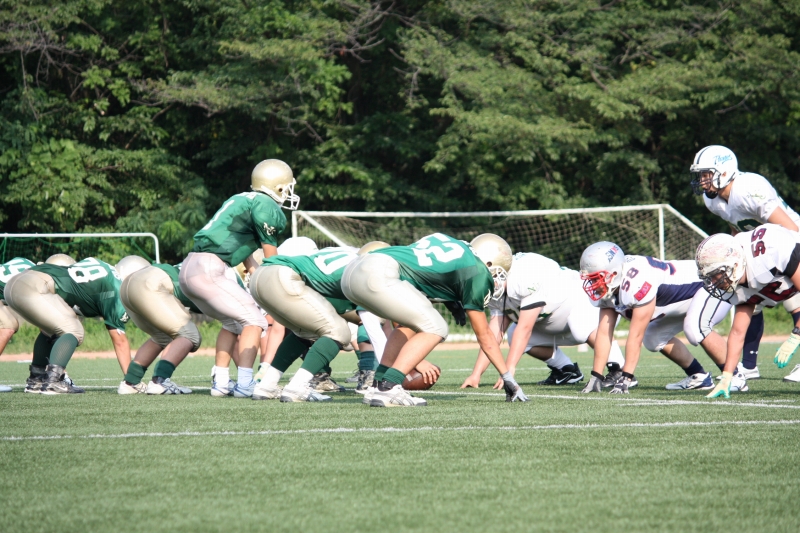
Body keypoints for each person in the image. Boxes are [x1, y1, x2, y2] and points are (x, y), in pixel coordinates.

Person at [340, 232, 528, 407]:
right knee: (437, 327)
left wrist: (449, 299)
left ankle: (378, 385)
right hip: (379, 272)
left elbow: (423, 272)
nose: (495, 278)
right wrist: (507, 377)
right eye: (495, 273)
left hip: (353, 270)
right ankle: (389, 386)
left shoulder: (449, 243)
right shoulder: (478, 270)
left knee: (410, 325)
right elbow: (484, 334)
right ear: (489, 262)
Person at [179, 159, 298, 398]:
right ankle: (245, 384)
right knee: (256, 321)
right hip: (210, 268)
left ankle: (221, 383)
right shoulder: (266, 204)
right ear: (278, 186)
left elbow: (246, 257)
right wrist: (279, 285)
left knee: (232, 324)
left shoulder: (241, 199)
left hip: (190, 267)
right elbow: (271, 258)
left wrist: (257, 277)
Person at [690, 144, 800, 381]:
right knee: (749, 299)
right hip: (762, 248)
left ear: (724, 171)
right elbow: (737, 228)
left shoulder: (748, 189)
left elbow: (789, 230)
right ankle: (749, 367)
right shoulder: (713, 200)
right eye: (700, 176)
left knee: (793, 297)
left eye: (706, 174)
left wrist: (778, 264)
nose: (702, 181)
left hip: (787, 243)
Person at [578, 242, 737, 394]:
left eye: (596, 278)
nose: (593, 284)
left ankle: (735, 376)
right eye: (590, 279)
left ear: (614, 274)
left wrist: (626, 377)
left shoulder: (637, 281)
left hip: (709, 285)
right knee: (653, 337)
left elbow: (635, 336)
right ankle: (698, 377)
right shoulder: (612, 284)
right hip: (681, 300)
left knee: (695, 327)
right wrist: (596, 376)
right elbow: (604, 333)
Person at [460, 250, 626, 389]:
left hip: (583, 303)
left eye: (489, 274)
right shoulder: (495, 289)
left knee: (580, 327)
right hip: (555, 318)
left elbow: (525, 328)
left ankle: (619, 368)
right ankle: (567, 370)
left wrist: (508, 370)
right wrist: (476, 375)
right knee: (512, 334)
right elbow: (493, 334)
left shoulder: (525, 274)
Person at [697, 226, 800, 398]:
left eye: (715, 275)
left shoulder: (771, 254)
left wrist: (796, 335)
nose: (713, 282)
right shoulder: (739, 282)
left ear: (735, 264)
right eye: (709, 277)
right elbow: (738, 332)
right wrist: (727, 376)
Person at [250, 245, 361, 402]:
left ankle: (267, 385)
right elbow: (353, 313)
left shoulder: (344, 256)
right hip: (284, 276)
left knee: (304, 330)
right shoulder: (361, 270)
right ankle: (297, 386)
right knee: (339, 332)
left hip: (261, 274)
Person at [4, 257, 131, 394]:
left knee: (50, 330)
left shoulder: (101, 268)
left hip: (14, 284)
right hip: (35, 285)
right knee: (74, 330)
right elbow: (120, 341)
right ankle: (53, 381)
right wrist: (131, 380)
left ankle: (36, 379)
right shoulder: (116, 288)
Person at [115, 256, 199, 395]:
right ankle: (160, 381)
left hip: (127, 286)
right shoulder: (204, 278)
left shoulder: (190, 268)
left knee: (161, 336)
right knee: (190, 335)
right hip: (149, 283)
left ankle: (130, 383)